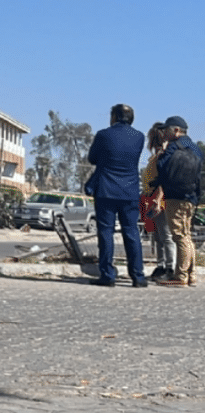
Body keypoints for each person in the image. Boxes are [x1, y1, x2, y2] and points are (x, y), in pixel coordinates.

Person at [86, 104, 148, 288]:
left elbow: (92, 158)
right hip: (129, 191)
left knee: (106, 233)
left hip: (106, 190)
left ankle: (107, 274)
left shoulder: (103, 135)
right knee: (131, 232)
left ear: (114, 117)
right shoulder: (139, 137)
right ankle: (138, 276)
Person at [154, 116, 203, 287]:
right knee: (187, 236)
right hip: (190, 197)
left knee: (179, 236)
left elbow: (162, 169)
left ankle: (180, 276)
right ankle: (191, 274)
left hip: (175, 197)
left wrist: (163, 152)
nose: (164, 133)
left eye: (166, 130)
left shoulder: (173, 147)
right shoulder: (195, 149)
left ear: (175, 131)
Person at [140, 122, 176, 281]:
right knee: (158, 237)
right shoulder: (156, 156)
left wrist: (158, 198)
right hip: (150, 197)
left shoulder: (166, 155)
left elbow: (165, 180)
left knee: (166, 236)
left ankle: (171, 267)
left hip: (160, 200)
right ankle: (161, 265)